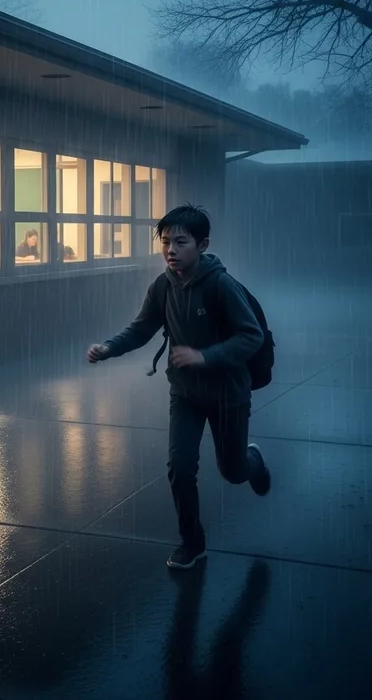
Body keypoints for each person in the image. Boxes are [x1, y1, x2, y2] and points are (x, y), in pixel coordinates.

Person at [87, 203, 271, 570]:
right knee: (180, 467)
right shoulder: (163, 286)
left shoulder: (221, 285)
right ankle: (192, 542)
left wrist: (207, 357)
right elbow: (142, 328)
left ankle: (252, 461)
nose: (171, 250)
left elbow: (251, 336)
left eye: (181, 242)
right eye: (166, 242)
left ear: (202, 245)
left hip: (227, 395)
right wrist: (109, 348)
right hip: (185, 394)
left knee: (232, 472)